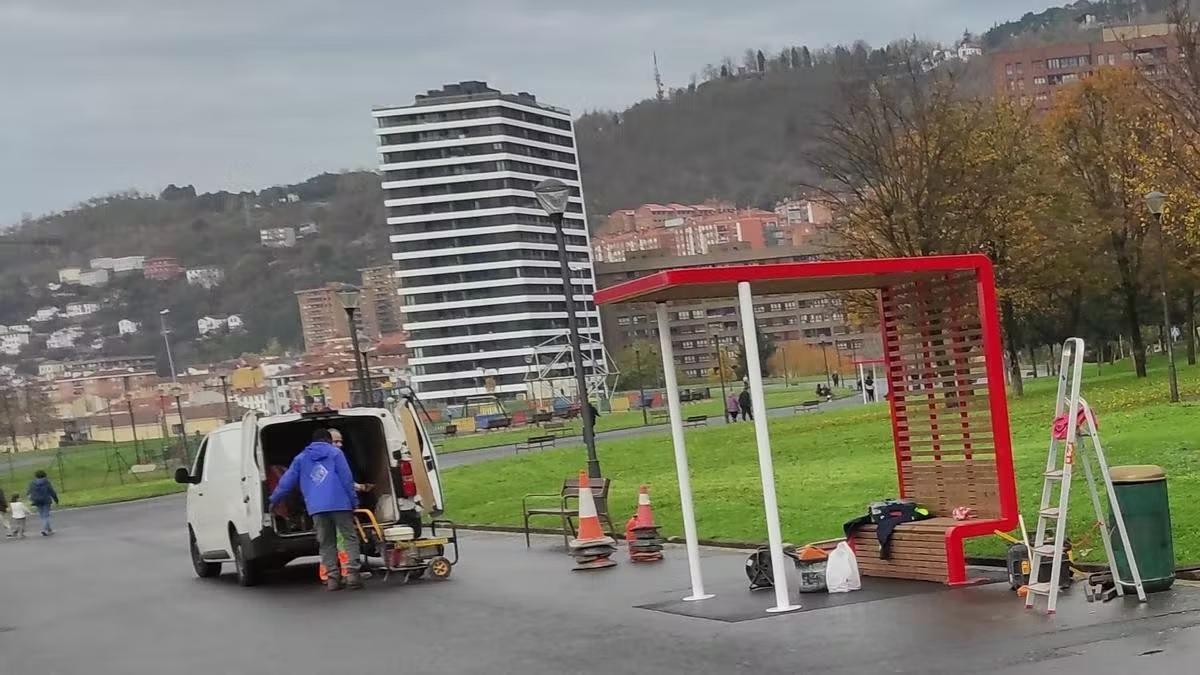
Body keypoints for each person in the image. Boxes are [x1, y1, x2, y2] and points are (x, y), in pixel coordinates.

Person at [269, 428, 363, 591]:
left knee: (326, 541)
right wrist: (354, 502)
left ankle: (333, 579)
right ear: (328, 440)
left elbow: (286, 482)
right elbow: (347, 479)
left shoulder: (301, 458)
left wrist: (273, 500)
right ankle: (352, 575)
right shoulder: (335, 454)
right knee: (349, 537)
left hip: (316, 507)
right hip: (340, 503)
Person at [27, 470, 58, 536]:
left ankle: (49, 530)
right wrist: (56, 499)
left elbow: (29, 492)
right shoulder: (46, 482)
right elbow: (52, 491)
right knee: (46, 516)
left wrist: (31, 499)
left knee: (42, 516)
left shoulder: (32, 483)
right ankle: (44, 530)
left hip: (37, 501)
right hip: (46, 500)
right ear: (44, 475)